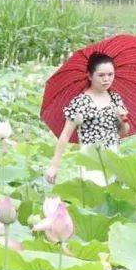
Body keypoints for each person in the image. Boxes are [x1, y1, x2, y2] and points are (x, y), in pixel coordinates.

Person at [46, 52, 130, 184]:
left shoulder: (115, 98)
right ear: (90, 75)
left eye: (110, 74)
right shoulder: (81, 101)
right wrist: (54, 165)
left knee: (112, 199)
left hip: (113, 154)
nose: (106, 79)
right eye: (101, 75)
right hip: (91, 158)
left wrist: (123, 118)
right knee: (96, 198)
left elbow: (123, 132)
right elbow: (65, 135)